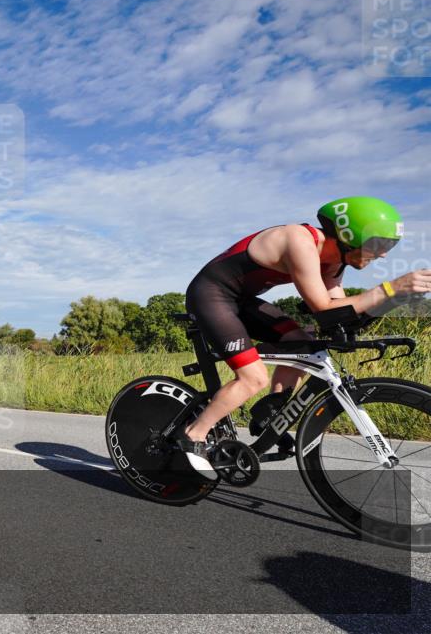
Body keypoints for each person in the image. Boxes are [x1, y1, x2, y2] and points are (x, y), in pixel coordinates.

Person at [180, 196, 431, 477]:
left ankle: (269, 416)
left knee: (300, 344)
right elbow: (322, 307)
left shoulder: (336, 262)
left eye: (390, 246)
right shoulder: (299, 240)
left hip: (242, 299)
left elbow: (339, 317)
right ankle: (194, 435)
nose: (384, 255)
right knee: (254, 378)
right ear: (349, 236)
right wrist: (388, 288)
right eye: (380, 244)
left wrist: (395, 298)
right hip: (211, 295)